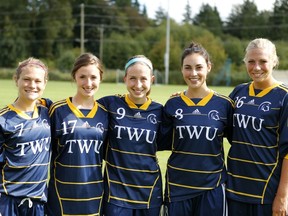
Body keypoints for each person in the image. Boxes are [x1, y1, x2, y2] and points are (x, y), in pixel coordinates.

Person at [159, 42, 234, 216]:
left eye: (199, 67)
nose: (193, 73)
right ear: (181, 70)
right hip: (178, 188)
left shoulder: (225, 105)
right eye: (188, 68)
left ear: (208, 67)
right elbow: (162, 142)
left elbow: (237, 143)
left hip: (212, 188)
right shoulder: (172, 104)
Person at [226, 38, 288, 216]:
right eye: (251, 61)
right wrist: (186, 98)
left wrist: (283, 196)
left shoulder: (284, 97)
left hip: (267, 193)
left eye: (263, 61)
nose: (256, 67)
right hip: (234, 189)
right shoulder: (239, 92)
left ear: (274, 62)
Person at [98, 55, 163, 216]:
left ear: (152, 80)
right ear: (125, 78)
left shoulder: (161, 111)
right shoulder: (109, 104)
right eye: (133, 78)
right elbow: (81, 107)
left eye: (143, 79)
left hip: (149, 193)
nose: (138, 85)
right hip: (116, 194)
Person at [46, 53, 109, 215]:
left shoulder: (105, 113)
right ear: (74, 77)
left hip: (93, 195)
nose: (88, 83)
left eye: (93, 77)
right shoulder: (58, 110)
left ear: (101, 78)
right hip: (61, 195)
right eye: (82, 77)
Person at [0, 57, 51, 216]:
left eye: (38, 81)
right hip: (8, 200)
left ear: (45, 83)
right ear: (16, 80)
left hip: (38, 201)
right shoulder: (3, 119)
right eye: (27, 79)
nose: (32, 85)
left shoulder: (48, 111)